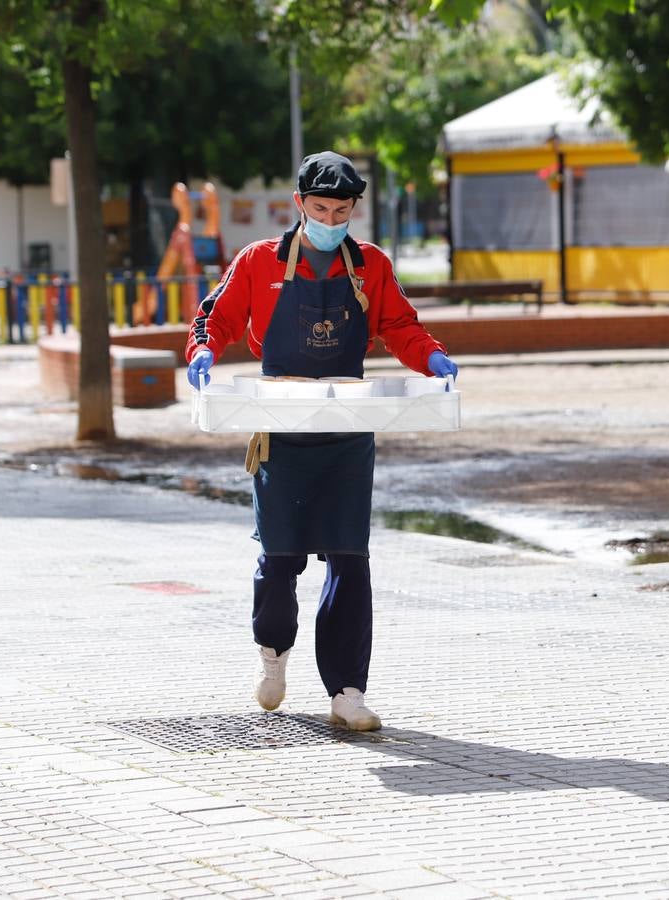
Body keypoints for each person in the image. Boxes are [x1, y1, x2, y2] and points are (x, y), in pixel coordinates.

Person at [184, 151, 458, 731]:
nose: (332, 221)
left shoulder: (370, 267)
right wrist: (204, 349)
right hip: (281, 430)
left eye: (342, 211)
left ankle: (348, 691)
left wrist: (431, 357)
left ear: (355, 209)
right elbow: (218, 317)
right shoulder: (258, 262)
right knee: (278, 560)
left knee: (350, 560)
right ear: (299, 206)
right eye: (321, 209)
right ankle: (273, 654)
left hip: (347, 432)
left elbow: (400, 326)